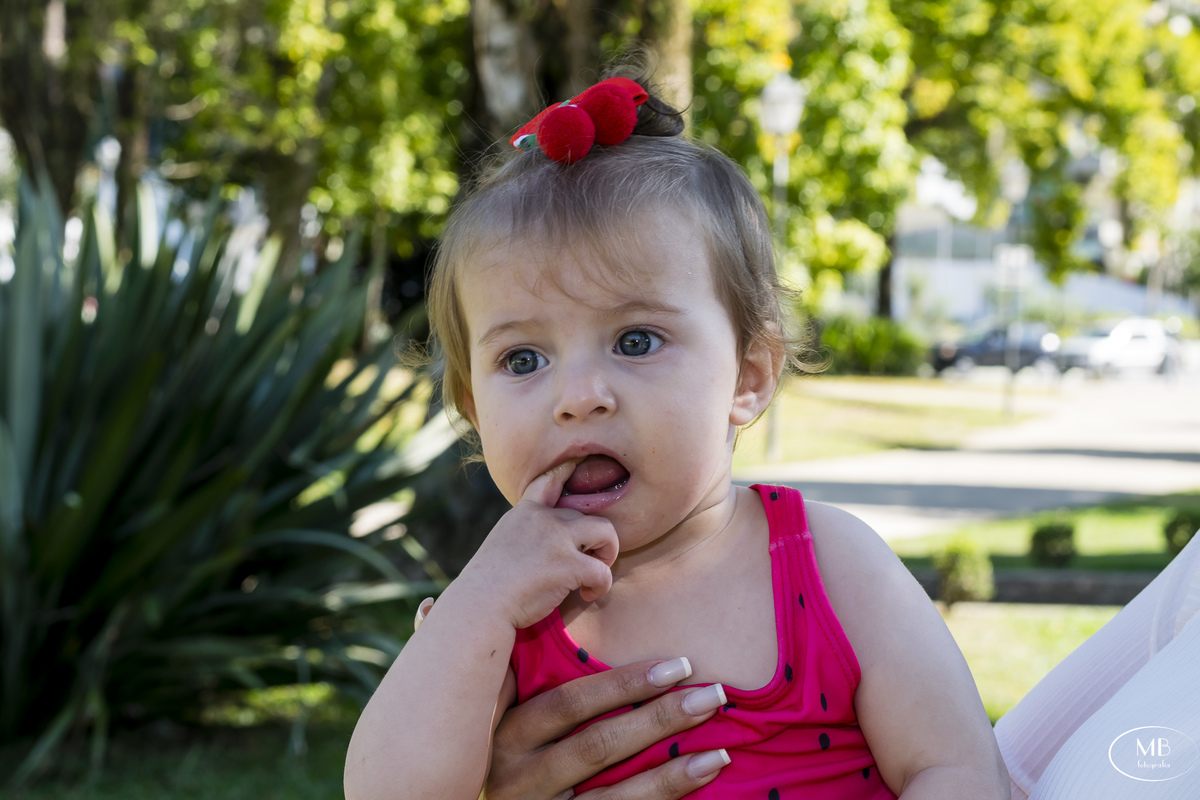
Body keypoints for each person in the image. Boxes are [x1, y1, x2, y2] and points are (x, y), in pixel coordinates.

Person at [343, 70, 1010, 800]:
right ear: (474, 407)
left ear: (746, 377)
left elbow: (957, 766)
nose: (578, 398)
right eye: (523, 359)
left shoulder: (830, 567)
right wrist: (474, 609)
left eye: (635, 341)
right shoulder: (502, 623)